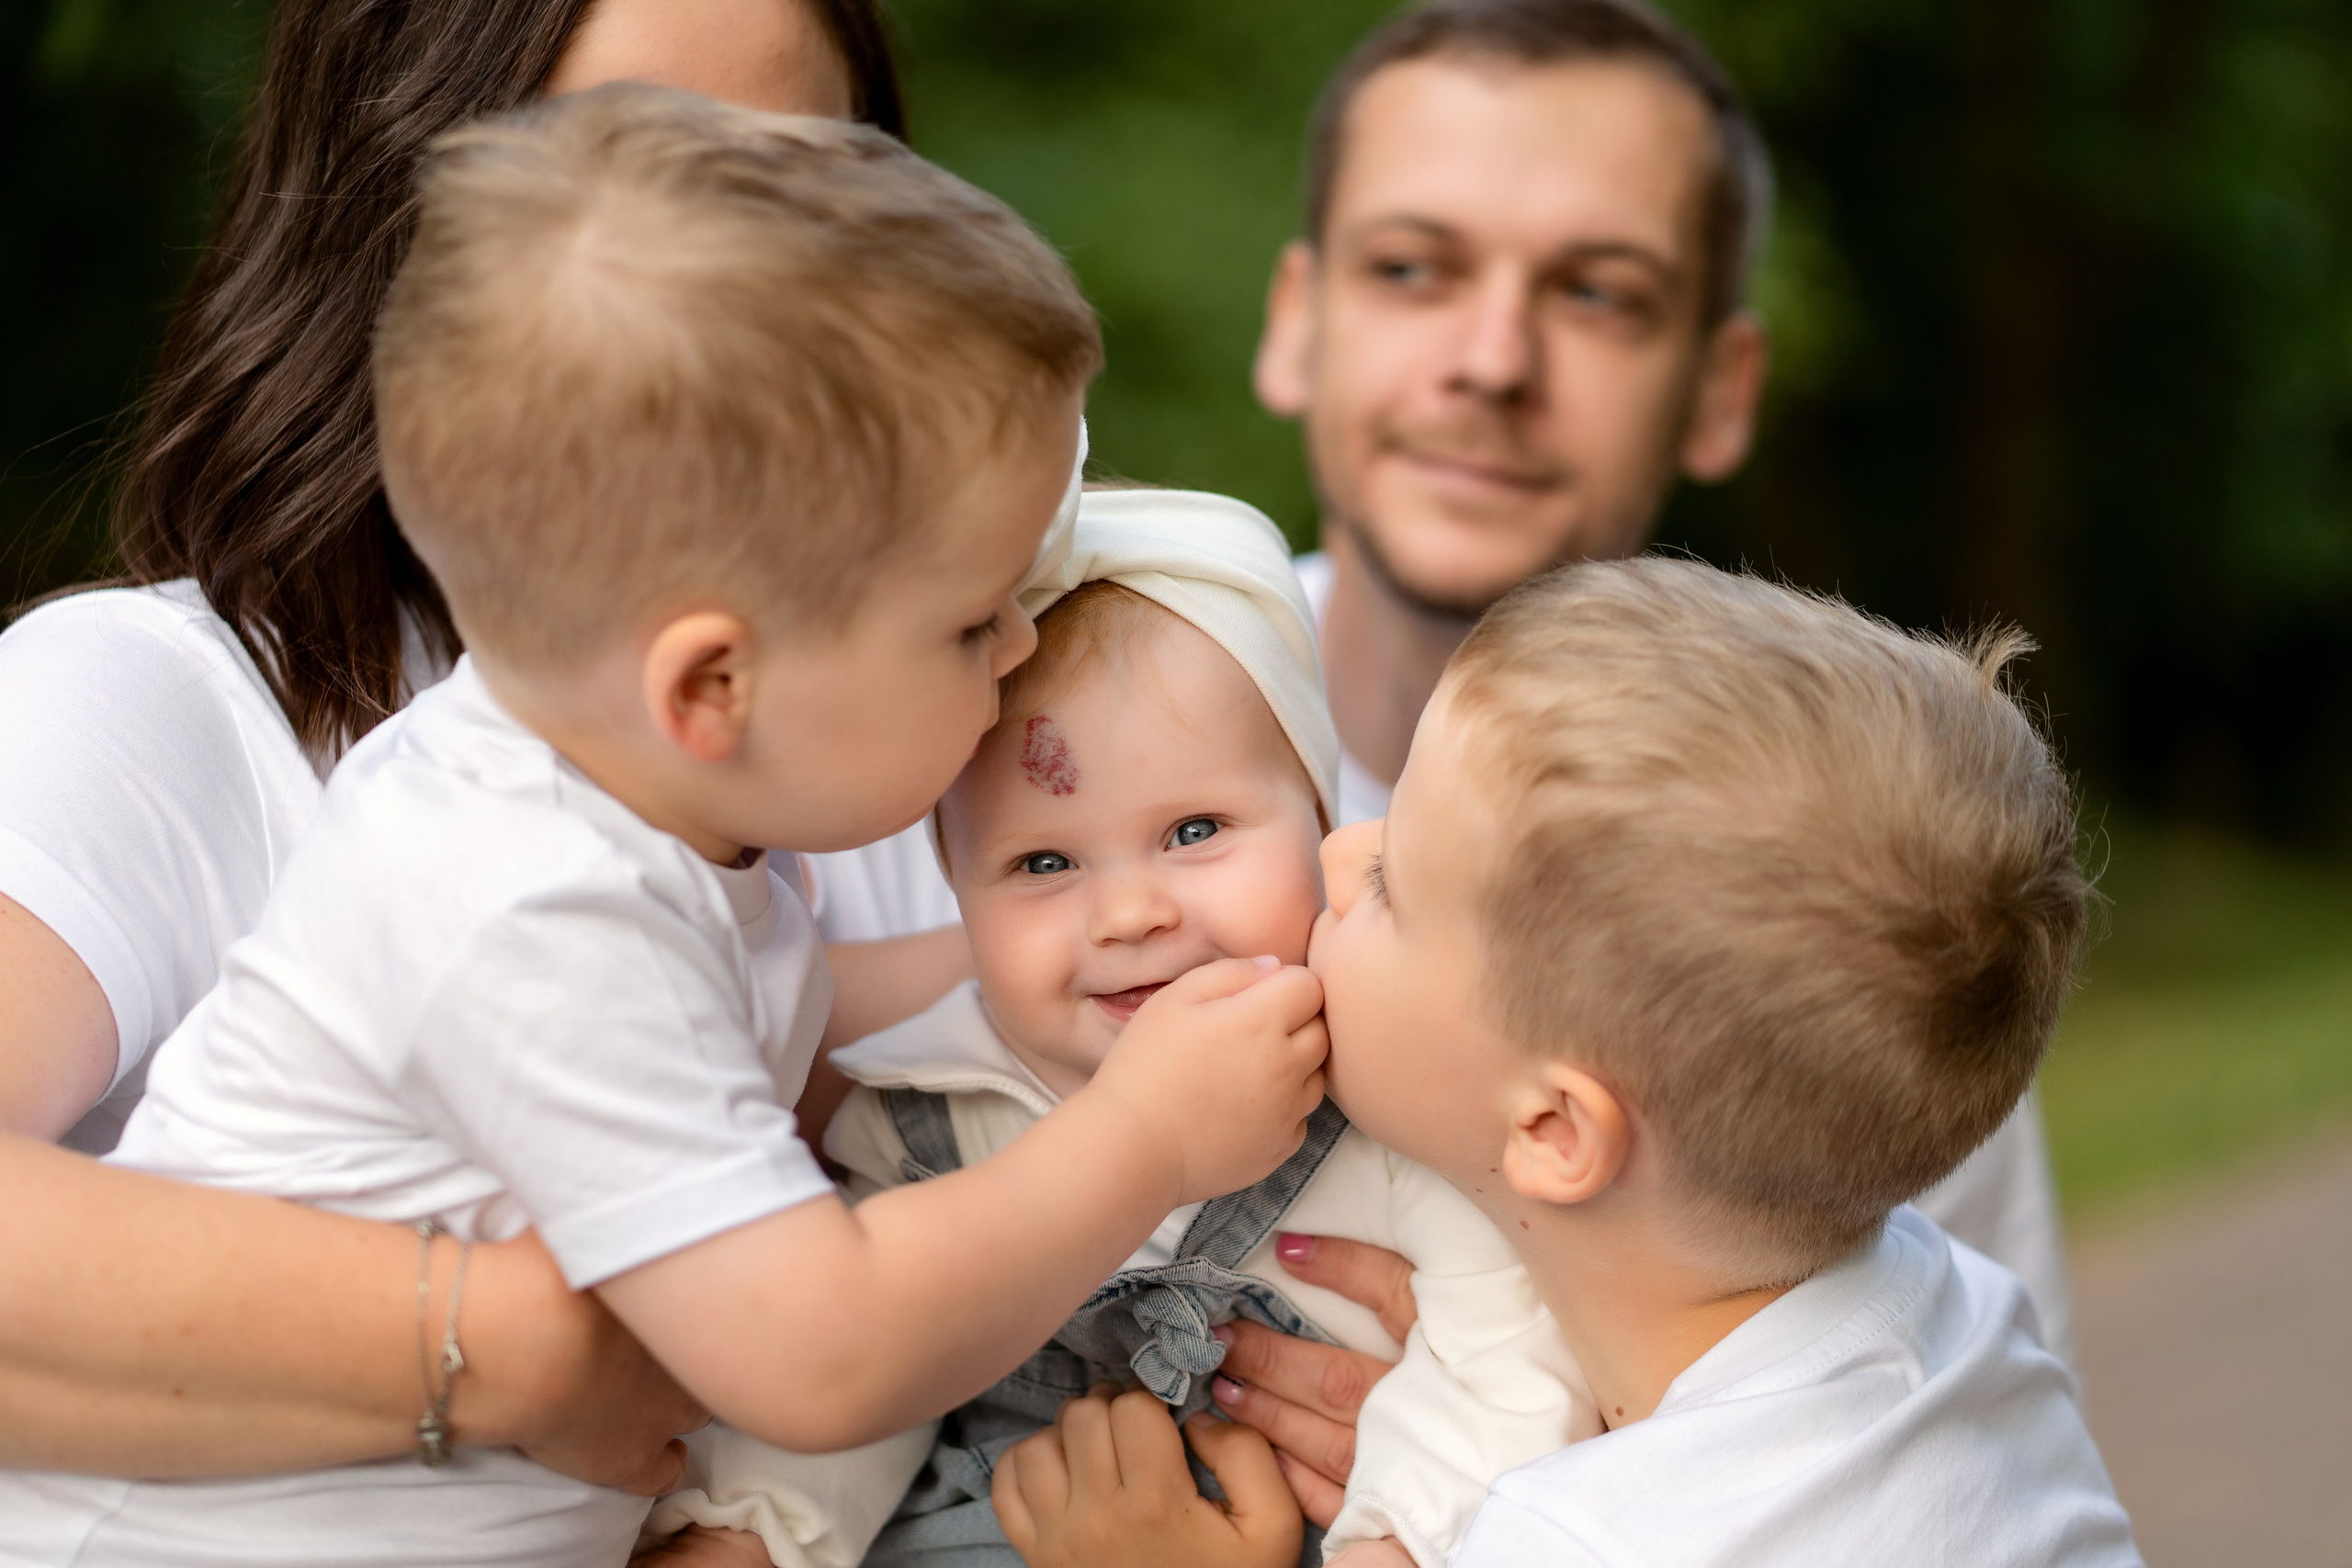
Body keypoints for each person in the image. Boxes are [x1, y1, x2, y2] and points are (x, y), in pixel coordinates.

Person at [0, 86, 1330, 1567]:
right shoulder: (535, 907)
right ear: (713, 683)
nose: (1017, 647)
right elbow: (820, 1350)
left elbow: (894, 991)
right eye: (970, 620)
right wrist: (1145, 1135)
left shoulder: (627, 812)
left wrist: (1294, 936)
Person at [0, 0, 920, 1486]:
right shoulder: (150, 702)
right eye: (630, 184)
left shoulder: (912, 768)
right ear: (392, 224)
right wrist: (521, 1346)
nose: (739, 296)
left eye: (803, 200)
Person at [994, 557, 2142, 1568]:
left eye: (1394, 888)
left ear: (1550, 1132)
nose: (1339, 853)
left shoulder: (1579, 1544)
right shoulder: (1962, 1313)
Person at [650, 489, 1589, 1568]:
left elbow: (1508, 1362)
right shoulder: (929, 1123)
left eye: (1195, 831)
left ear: (1323, 826)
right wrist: (746, 1537)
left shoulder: (1394, 1092)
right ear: (956, 895)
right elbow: (861, 1397)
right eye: (1042, 863)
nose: (1130, 913)